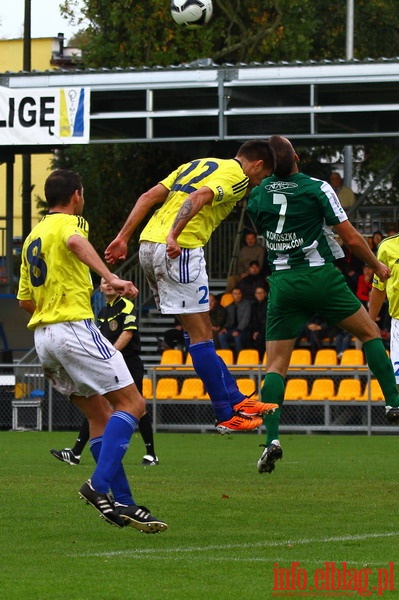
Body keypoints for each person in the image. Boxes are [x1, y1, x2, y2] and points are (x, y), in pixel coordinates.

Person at [17, 169, 167, 532]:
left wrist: (66, 305)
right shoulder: (70, 223)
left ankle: (127, 504)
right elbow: (74, 243)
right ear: (76, 195)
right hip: (73, 329)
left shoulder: (32, 236)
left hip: (44, 338)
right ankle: (97, 487)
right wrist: (112, 278)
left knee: (99, 416)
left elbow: (25, 301)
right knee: (133, 405)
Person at [247, 135, 399, 475]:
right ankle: (393, 402)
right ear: (297, 158)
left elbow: (264, 221)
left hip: (283, 282)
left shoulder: (257, 193)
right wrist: (376, 265)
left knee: (275, 366)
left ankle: (272, 439)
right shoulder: (317, 187)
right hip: (320, 276)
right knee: (370, 332)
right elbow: (350, 237)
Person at [105, 140, 278, 433]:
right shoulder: (237, 176)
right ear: (257, 165)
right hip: (180, 248)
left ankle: (235, 399)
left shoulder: (194, 165)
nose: (256, 183)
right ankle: (225, 413)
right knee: (201, 334)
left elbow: (148, 196)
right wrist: (175, 234)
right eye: (260, 177)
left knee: (198, 331)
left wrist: (123, 237)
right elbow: (199, 197)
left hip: (148, 246)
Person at [50, 277, 158, 467]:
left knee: (137, 407)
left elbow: (128, 333)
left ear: (119, 287)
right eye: (104, 282)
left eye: (111, 281)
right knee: (97, 404)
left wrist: (112, 356)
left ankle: (151, 454)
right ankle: (75, 453)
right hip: (109, 365)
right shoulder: (101, 311)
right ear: (100, 287)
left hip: (128, 363)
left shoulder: (126, 305)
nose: (107, 284)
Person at [369, 234, 399, 386]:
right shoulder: (387, 247)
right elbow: (379, 288)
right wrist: (369, 323)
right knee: (398, 383)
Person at [218, 287, 251, 357]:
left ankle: (238, 357)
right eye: (235, 294)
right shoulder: (230, 306)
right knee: (221, 336)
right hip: (231, 329)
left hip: (243, 329)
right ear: (232, 295)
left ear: (241, 294)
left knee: (237, 337)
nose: (237, 296)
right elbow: (228, 321)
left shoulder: (246, 304)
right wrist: (225, 328)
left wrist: (238, 330)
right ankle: (228, 357)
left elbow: (246, 319)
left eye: (239, 294)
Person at [242, 286, 268, 360]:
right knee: (245, 335)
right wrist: (254, 330)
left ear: (265, 294)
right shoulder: (253, 304)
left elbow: (267, 321)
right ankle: (252, 356)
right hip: (256, 328)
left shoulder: (269, 304)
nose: (259, 295)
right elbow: (253, 319)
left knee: (260, 337)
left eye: (261, 293)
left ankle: (260, 358)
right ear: (255, 294)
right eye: (257, 293)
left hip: (266, 328)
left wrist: (258, 331)